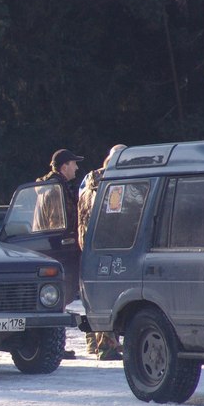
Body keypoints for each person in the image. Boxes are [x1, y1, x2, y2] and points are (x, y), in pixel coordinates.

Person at [34, 148, 83, 358]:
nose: (77, 168)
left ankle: (52, 345)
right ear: (64, 167)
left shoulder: (50, 186)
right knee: (58, 299)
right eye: (74, 164)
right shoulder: (55, 188)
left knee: (57, 300)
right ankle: (53, 346)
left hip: (50, 249)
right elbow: (56, 223)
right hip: (58, 252)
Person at [77, 144, 126, 360]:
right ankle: (107, 347)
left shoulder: (88, 179)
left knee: (93, 294)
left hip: (86, 242)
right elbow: (116, 214)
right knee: (109, 293)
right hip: (107, 244)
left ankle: (92, 342)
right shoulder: (115, 180)